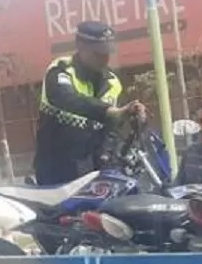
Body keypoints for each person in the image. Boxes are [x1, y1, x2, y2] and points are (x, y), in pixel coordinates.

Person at [33, 20, 145, 186]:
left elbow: (112, 130)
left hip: (95, 172)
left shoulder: (112, 82)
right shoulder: (61, 70)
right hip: (55, 173)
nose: (104, 59)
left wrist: (129, 116)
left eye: (107, 53)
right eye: (98, 53)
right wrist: (108, 111)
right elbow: (69, 99)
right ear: (80, 45)